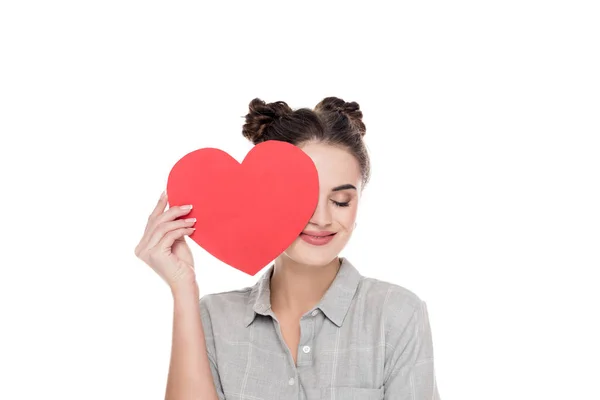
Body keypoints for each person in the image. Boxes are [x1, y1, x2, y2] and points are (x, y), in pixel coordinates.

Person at [135, 97, 441, 400]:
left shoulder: (397, 315)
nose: (322, 219)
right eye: (302, 197)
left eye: (341, 201)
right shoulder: (214, 318)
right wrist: (182, 289)